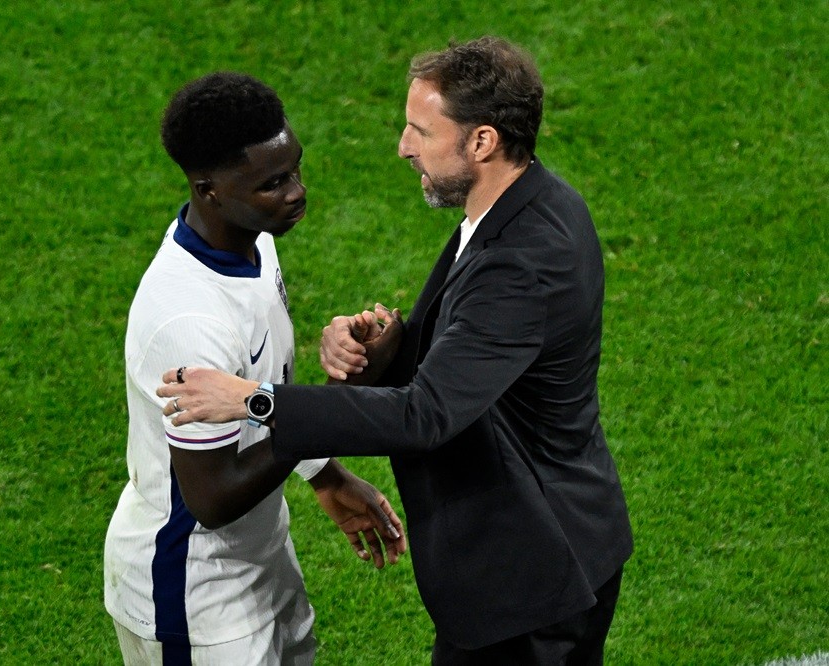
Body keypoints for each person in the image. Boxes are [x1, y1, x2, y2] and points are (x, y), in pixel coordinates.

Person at [157, 37, 634, 665]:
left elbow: (423, 417)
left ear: (482, 141)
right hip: (533, 556)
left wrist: (255, 401)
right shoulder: (525, 206)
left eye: (419, 130)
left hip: (533, 580)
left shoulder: (521, 263)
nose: (403, 146)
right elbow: (484, 361)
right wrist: (392, 347)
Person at [103, 71, 406, 666]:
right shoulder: (187, 321)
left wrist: (325, 474)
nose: (295, 191)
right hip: (196, 595)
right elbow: (212, 497)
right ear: (208, 189)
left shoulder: (253, 242)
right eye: (272, 183)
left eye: (294, 168)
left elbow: (265, 391)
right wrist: (322, 416)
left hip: (259, 559)